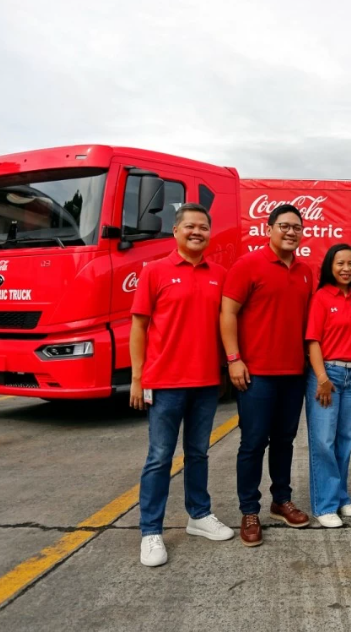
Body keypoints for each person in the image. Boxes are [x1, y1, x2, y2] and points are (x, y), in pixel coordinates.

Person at [130, 202, 235, 568]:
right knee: (159, 458)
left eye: (203, 227)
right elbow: (139, 327)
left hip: (206, 382)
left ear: (209, 234)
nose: (197, 232)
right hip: (165, 383)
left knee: (199, 454)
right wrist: (136, 377)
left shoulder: (220, 274)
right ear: (175, 231)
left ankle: (199, 515)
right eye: (190, 226)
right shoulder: (155, 272)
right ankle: (150, 531)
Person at [221, 204, 313, 546]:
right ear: (269, 228)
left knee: (285, 441)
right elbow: (227, 312)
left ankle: (281, 500)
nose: (291, 232)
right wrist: (234, 359)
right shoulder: (248, 265)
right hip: (256, 374)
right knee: (253, 443)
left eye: (297, 228)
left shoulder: (306, 271)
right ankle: (249, 510)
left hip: (293, 374)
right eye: (284, 226)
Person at [304, 244, 351, 528]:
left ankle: (341, 497)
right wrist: (321, 378)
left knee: (346, 440)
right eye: (340, 263)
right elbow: (313, 341)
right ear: (330, 266)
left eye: (350, 263)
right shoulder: (320, 297)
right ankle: (324, 505)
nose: (346, 268)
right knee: (323, 442)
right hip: (328, 374)